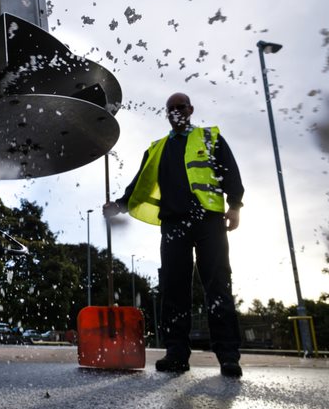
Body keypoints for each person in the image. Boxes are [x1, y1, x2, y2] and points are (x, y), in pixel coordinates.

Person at [103, 92, 244, 377]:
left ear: (190, 109)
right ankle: (177, 354)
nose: (175, 111)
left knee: (218, 286)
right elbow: (139, 183)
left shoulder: (209, 137)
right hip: (173, 224)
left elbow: (230, 171)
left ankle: (228, 356)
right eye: (171, 109)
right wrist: (119, 205)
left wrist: (235, 205)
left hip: (209, 222)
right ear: (167, 114)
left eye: (180, 107)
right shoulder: (157, 148)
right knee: (173, 289)